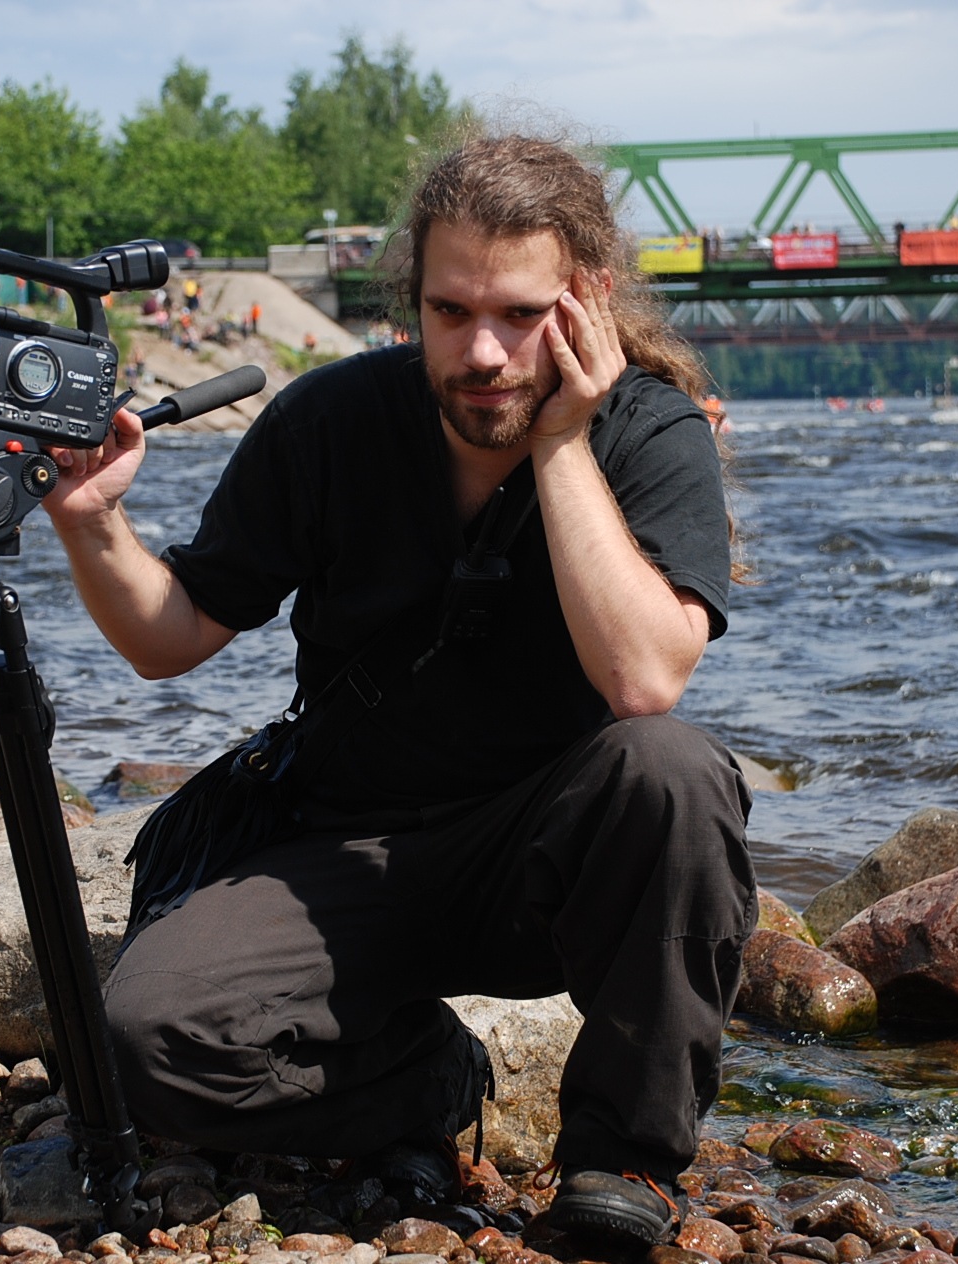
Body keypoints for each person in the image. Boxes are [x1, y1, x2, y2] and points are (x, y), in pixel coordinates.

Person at [44, 134, 755, 1247]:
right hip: (342, 850)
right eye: (449, 312)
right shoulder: (329, 421)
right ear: (411, 301)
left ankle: (622, 1158)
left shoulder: (649, 428)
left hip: (542, 864)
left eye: (521, 315)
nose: (483, 352)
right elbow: (168, 639)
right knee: (142, 1047)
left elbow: (644, 676)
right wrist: (92, 523)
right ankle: (427, 1084)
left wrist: (561, 442)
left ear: (588, 301)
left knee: (673, 771)